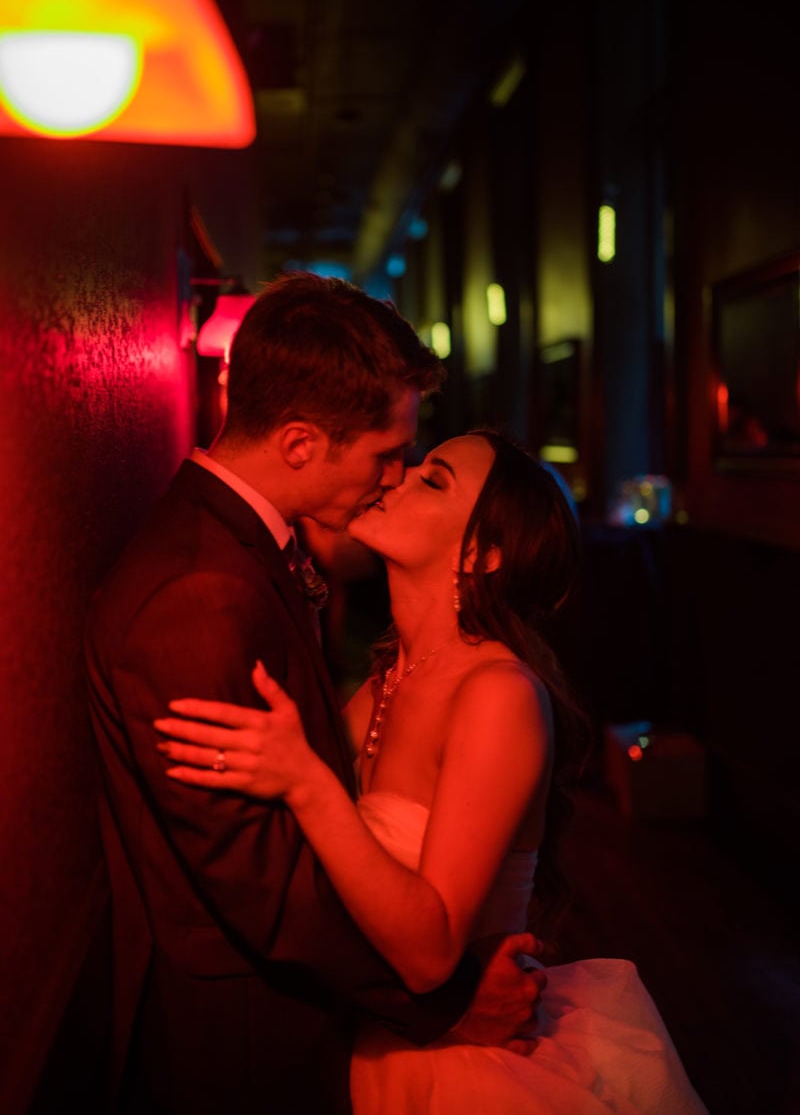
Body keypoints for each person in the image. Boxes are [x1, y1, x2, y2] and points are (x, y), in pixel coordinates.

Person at [84, 272, 545, 1115]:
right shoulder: (201, 591)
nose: (395, 477)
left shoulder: (239, 552)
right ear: (300, 444)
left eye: (419, 468)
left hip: (328, 1019)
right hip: (250, 1033)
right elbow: (261, 881)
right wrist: (442, 1006)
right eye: (388, 455)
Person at [155, 429, 710, 1114]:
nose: (399, 477)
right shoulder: (382, 685)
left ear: (481, 553)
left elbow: (430, 950)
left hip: (464, 1071)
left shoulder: (498, 692)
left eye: (434, 479)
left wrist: (305, 779)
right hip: (377, 1039)